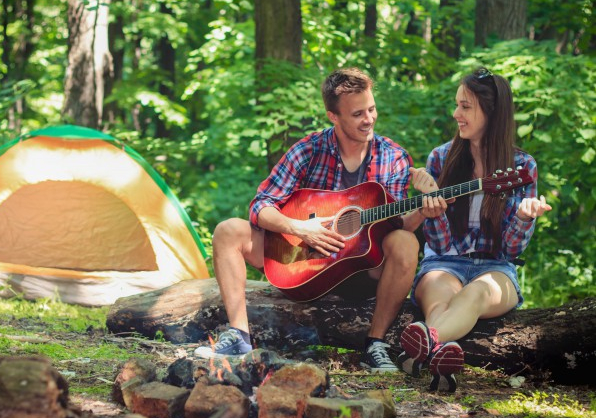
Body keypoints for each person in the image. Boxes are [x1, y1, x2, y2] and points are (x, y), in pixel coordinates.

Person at [194, 67, 444, 372]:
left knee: (404, 242)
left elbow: (397, 226)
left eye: (372, 109)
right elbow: (261, 205)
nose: (369, 119)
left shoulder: (393, 157)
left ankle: (375, 345)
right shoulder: (308, 150)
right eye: (357, 114)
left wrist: (421, 210)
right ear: (333, 116)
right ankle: (239, 337)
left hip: (360, 270)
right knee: (227, 231)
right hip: (302, 263)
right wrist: (299, 228)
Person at [397, 67, 552, 392]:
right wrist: (432, 211)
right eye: (457, 105)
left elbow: (511, 252)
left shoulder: (523, 167)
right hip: (443, 264)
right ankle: (440, 354)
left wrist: (525, 218)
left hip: (496, 269)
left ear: (491, 112)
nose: (456, 114)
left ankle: (420, 348)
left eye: (465, 106)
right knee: (441, 300)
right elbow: (438, 244)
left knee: (476, 293)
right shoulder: (441, 158)